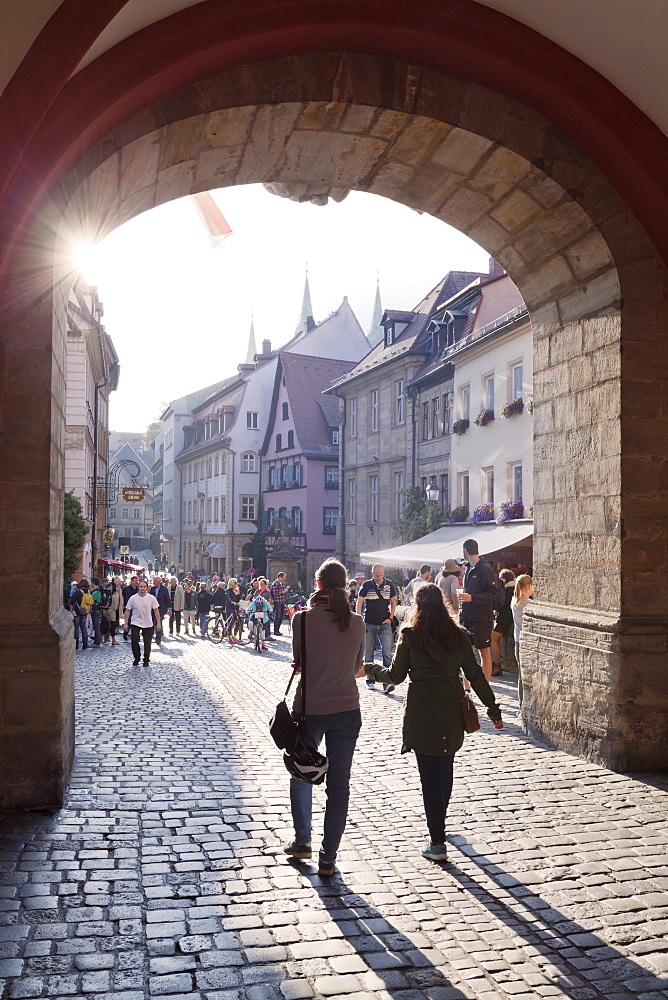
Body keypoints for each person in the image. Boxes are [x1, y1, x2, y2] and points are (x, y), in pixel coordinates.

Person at [365, 583, 503, 860]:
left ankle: (437, 840)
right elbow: (475, 674)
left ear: (417, 606)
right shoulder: (458, 635)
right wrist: (493, 709)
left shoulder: (410, 635)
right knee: (445, 768)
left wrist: (369, 669)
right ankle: (439, 825)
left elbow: (395, 676)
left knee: (429, 777)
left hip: (421, 712)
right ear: (442, 605)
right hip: (450, 710)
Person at [285, 558, 366, 876]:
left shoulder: (302, 620)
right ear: (345, 586)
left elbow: (300, 662)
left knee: (302, 774)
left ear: (317, 584)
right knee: (339, 786)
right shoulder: (357, 622)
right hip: (347, 709)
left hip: (311, 708)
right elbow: (357, 667)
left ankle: (302, 840)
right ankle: (328, 857)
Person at [459, 539, 501, 682]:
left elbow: (493, 593)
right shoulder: (468, 569)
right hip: (467, 617)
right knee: (466, 654)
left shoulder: (485, 568)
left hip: (482, 618)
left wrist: (473, 598)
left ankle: (485, 688)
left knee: (484, 653)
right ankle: (467, 690)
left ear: (465, 552)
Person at [356, 564, 397, 694]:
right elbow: (360, 602)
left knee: (387, 653)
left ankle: (387, 682)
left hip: (384, 623)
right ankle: (370, 680)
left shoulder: (389, 584)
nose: (379, 578)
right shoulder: (367, 585)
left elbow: (394, 601)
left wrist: (391, 617)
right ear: (372, 573)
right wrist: (359, 619)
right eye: (376, 575)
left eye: (380, 575)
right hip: (369, 623)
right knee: (368, 653)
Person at [124, 579, 162, 666]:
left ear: (147, 588)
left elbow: (156, 611)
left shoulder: (151, 598)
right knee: (134, 640)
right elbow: (127, 611)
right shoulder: (133, 598)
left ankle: (146, 659)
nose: (142, 588)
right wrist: (126, 623)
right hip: (135, 622)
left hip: (148, 622)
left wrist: (158, 623)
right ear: (138, 587)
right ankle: (137, 657)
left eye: (144, 587)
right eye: (141, 586)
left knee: (147, 642)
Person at [512, 574, 534, 706]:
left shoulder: (514, 601)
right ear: (530, 586)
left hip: (517, 641)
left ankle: (521, 704)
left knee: (521, 675)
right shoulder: (529, 604)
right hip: (527, 643)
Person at [491, 569, 516, 676]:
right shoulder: (512, 589)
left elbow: (501, 604)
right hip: (505, 619)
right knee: (496, 640)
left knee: (493, 639)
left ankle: (496, 665)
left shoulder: (508, 590)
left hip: (505, 620)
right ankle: (496, 664)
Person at [150, 576, 171, 644]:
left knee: (158, 622)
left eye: (155, 581)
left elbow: (167, 599)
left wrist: (169, 609)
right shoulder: (152, 589)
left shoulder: (164, 589)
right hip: (153, 608)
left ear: (159, 581)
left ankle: (158, 638)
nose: (153, 582)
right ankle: (153, 634)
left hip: (161, 609)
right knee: (153, 622)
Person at [104, 576, 124, 645]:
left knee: (116, 624)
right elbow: (107, 598)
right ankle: (113, 639)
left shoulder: (119, 589)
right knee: (113, 624)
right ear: (115, 581)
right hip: (111, 608)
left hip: (118, 609)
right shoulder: (110, 588)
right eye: (119, 581)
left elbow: (120, 599)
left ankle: (107, 635)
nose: (120, 583)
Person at [70, 580, 90, 650]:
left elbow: (71, 601)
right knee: (84, 628)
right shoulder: (88, 593)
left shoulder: (78, 593)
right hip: (85, 612)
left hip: (77, 612)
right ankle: (85, 645)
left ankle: (76, 646)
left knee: (76, 628)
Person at [225, 578, 243, 644]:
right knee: (230, 622)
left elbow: (240, 597)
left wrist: (239, 593)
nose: (236, 584)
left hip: (236, 607)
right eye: (235, 583)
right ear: (232, 583)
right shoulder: (228, 590)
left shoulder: (236, 590)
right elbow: (227, 597)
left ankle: (234, 635)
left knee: (238, 621)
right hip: (230, 607)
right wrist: (231, 602)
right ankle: (229, 637)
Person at [122, 576, 139, 640]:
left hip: (137, 608)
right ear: (131, 581)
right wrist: (123, 605)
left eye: (137, 581)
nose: (136, 582)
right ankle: (125, 633)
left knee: (136, 621)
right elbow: (123, 597)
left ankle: (135, 635)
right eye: (135, 581)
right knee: (128, 621)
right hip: (128, 607)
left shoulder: (138, 589)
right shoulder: (126, 589)